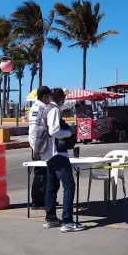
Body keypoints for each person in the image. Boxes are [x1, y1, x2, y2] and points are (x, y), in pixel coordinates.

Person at [42, 88, 85, 232]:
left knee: (52, 186)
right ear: (60, 98)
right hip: (58, 153)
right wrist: (68, 133)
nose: (65, 101)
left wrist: (76, 101)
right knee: (69, 186)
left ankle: (51, 218)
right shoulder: (54, 110)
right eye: (64, 98)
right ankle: (67, 221)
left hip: (48, 154)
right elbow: (54, 131)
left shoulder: (47, 108)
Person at [27, 86, 52, 210]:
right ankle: (37, 201)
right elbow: (33, 129)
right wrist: (35, 149)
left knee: (45, 174)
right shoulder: (38, 108)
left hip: (42, 145)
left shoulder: (43, 107)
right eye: (49, 97)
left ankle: (44, 199)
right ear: (44, 97)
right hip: (38, 146)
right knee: (40, 174)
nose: (50, 99)